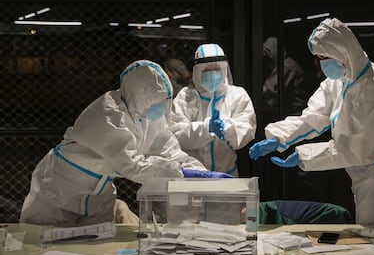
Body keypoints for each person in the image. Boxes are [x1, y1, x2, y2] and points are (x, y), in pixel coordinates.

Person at [20, 60, 231, 226]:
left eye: (164, 101)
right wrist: (184, 174)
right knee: (42, 242)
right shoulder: (108, 113)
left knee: (97, 243)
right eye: (156, 101)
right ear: (140, 95)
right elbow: (132, 165)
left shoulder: (148, 114)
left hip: (100, 187)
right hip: (61, 183)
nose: (161, 108)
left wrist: (202, 175)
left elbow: (170, 151)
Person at [250, 18, 374, 225]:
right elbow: (313, 118)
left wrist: (304, 155)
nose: (321, 63)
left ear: (343, 52)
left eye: (324, 56)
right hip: (364, 175)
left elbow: (357, 149)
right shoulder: (338, 82)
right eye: (318, 57)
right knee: (372, 239)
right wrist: (278, 137)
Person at [171, 43, 256, 176]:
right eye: (206, 70)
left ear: (223, 69)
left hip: (226, 175)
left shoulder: (237, 95)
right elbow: (176, 134)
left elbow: (247, 128)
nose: (212, 73)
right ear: (198, 71)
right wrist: (206, 128)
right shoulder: (186, 96)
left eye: (216, 68)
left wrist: (227, 128)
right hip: (192, 176)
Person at [263, 37, 309, 125]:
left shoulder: (286, 66)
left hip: (295, 116)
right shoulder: (285, 66)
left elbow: (268, 93)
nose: (265, 63)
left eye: (266, 57)